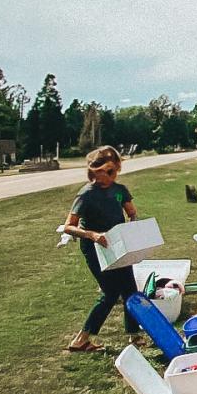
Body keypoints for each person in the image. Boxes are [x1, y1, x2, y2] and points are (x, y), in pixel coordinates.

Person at [64, 146, 143, 353]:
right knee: (110, 292)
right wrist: (92, 235)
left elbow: (132, 213)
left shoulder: (120, 190)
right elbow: (68, 226)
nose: (107, 177)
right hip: (95, 247)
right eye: (103, 172)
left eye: (112, 172)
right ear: (93, 171)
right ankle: (81, 339)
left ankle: (134, 336)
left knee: (130, 290)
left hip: (118, 244)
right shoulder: (86, 194)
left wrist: (133, 224)